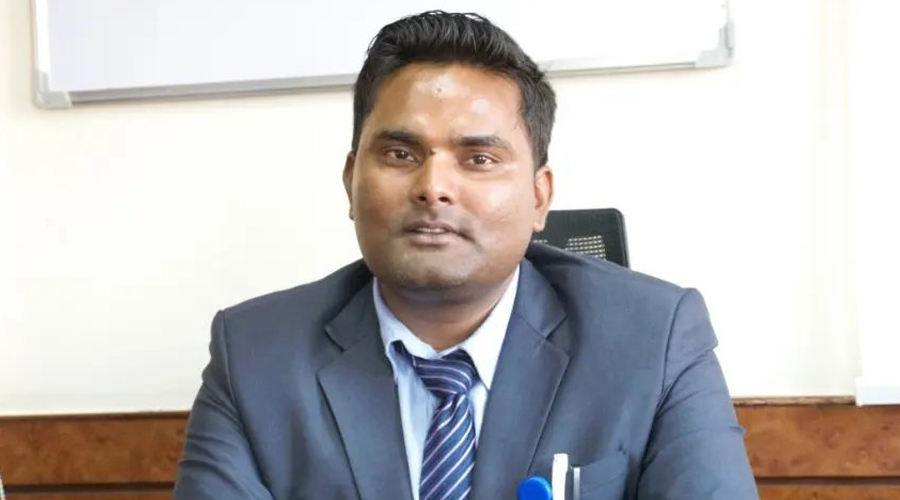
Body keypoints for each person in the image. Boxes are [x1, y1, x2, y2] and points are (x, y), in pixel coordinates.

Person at [173, 10, 759, 500]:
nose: (434, 187)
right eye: (400, 154)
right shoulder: (256, 355)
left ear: (538, 197)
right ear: (351, 181)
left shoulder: (655, 340)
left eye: (479, 159)